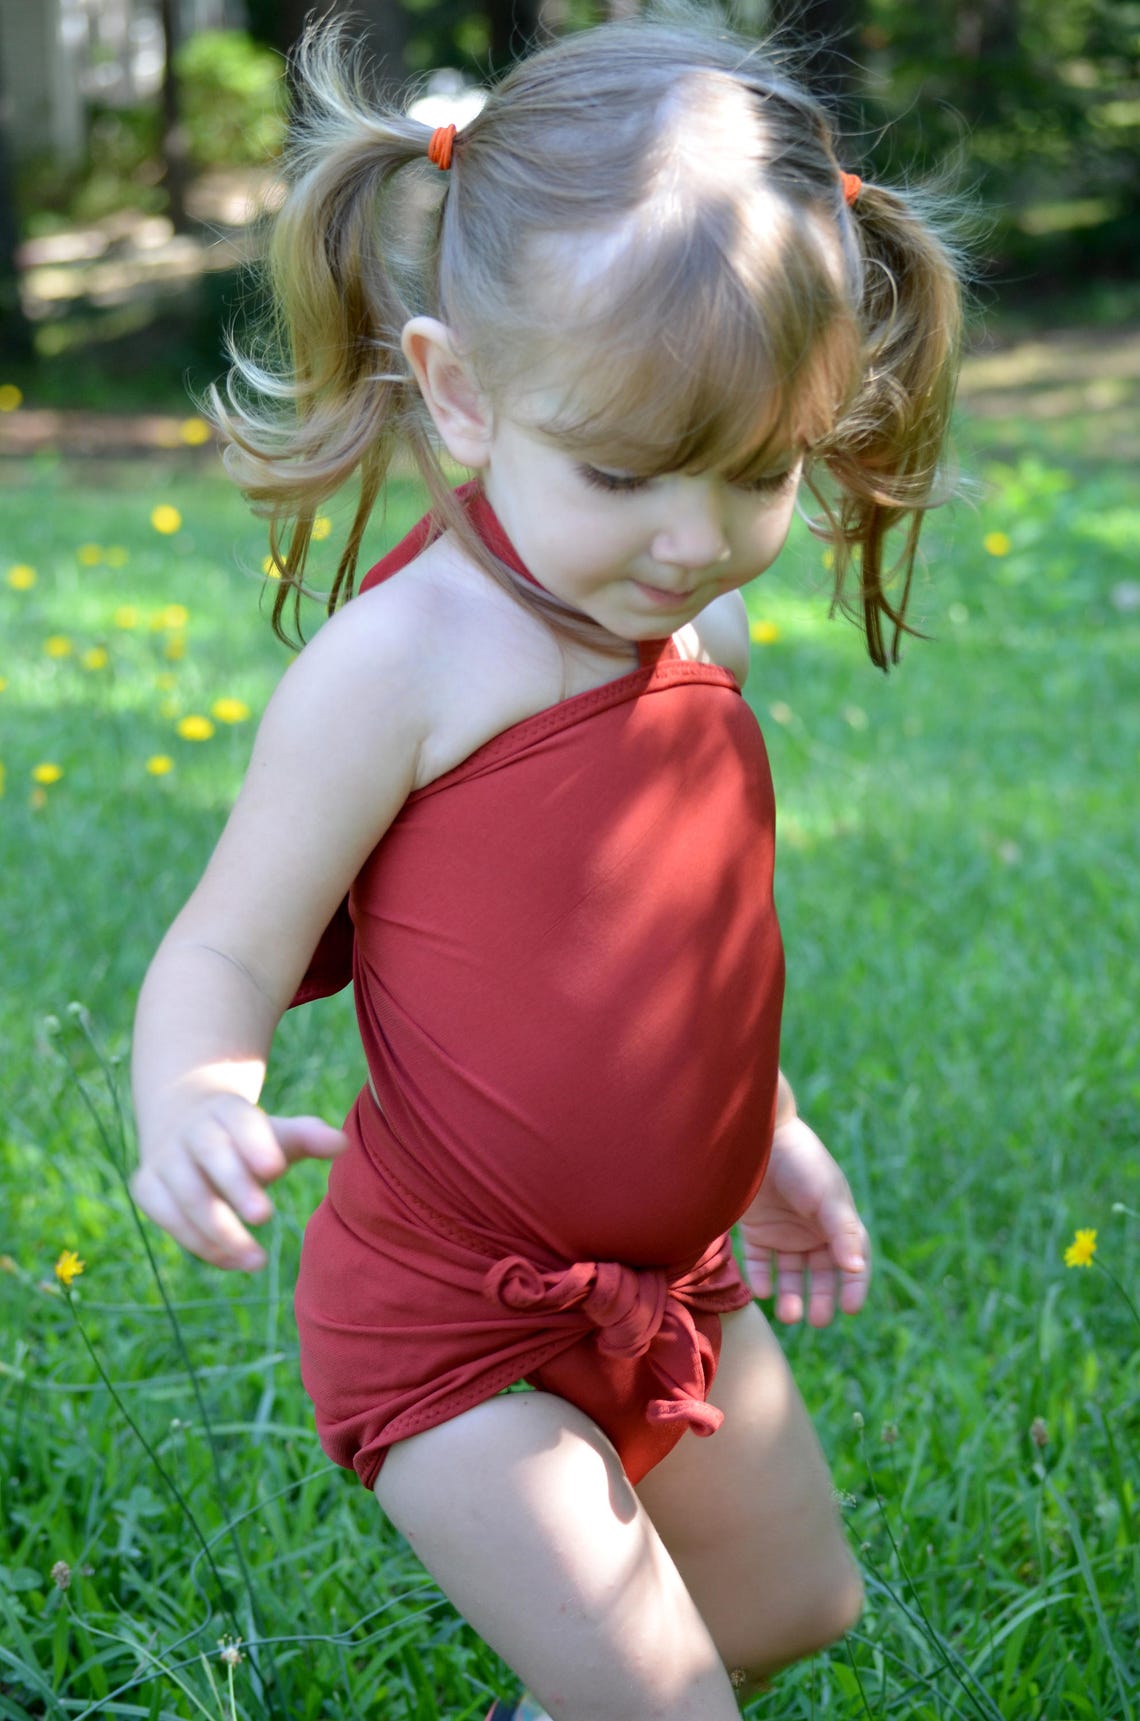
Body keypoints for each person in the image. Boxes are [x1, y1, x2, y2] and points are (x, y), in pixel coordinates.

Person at [131, 11, 964, 1718]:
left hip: (675, 1278)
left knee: (797, 1602)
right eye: (621, 472)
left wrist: (770, 1134)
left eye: (754, 473)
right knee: (668, 1703)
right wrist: (193, 1098)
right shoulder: (399, 668)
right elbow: (222, 947)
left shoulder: (695, 611)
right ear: (459, 391)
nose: (688, 536)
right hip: (455, 1315)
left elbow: (680, 939)